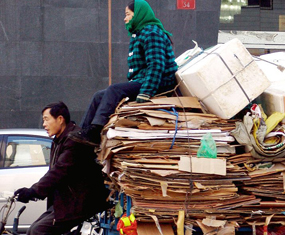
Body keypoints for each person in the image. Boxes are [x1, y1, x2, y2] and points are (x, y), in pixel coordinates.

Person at [69, 0, 178, 147]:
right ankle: (83, 133)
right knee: (99, 96)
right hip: (142, 80)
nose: (125, 19)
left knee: (114, 89)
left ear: (138, 14)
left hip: (159, 83)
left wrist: (145, 92)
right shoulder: (140, 34)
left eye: (128, 14)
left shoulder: (152, 33)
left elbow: (156, 65)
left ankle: (95, 131)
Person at [14, 101, 109, 235]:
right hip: (65, 201)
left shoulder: (75, 140)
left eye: (46, 119)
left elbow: (59, 171)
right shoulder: (59, 139)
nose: (44, 125)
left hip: (79, 202)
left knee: (38, 231)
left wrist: (33, 191)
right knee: (32, 230)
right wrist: (33, 191)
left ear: (60, 119)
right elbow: (53, 172)